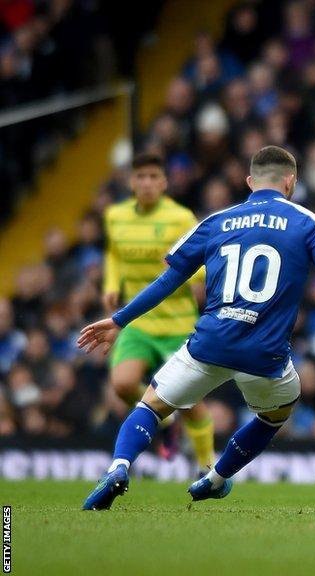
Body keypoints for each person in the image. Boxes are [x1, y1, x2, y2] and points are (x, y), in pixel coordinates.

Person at [79, 146, 315, 510]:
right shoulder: (308, 222)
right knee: (275, 413)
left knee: (151, 406)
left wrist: (119, 319)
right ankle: (216, 478)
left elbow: (169, 281)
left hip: (210, 343)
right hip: (264, 355)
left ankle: (118, 467)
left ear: (250, 181)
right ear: (290, 181)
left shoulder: (216, 222)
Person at [102, 152, 216, 473]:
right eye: (141, 177)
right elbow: (113, 253)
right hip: (139, 322)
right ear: (131, 181)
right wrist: (112, 283)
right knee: (122, 384)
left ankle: (207, 469)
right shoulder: (115, 216)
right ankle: (166, 421)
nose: (147, 183)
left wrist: (197, 280)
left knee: (191, 402)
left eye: (154, 177)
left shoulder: (180, 218)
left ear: (164, 182)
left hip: (178, 323)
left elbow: (201, 255)